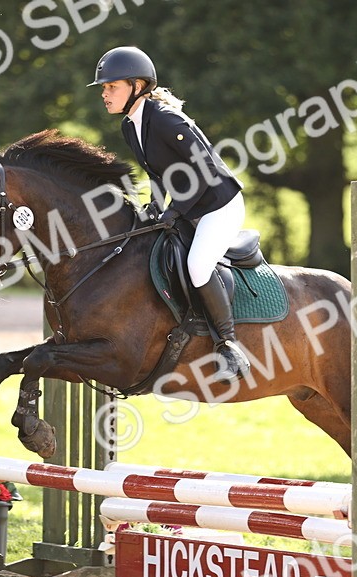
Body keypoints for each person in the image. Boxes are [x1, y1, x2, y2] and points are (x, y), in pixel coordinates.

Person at [89, 45, 250, 383]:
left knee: (197, 265)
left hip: (218, 206)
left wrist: (174, 210)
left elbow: (204, 167)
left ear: (137, 86)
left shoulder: (165, 118)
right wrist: (154, 206)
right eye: (104, 88)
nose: (105, 94)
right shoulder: (131, 127)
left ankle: (228, 344)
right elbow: (158, 174)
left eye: (111, 87)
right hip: (190, 208)